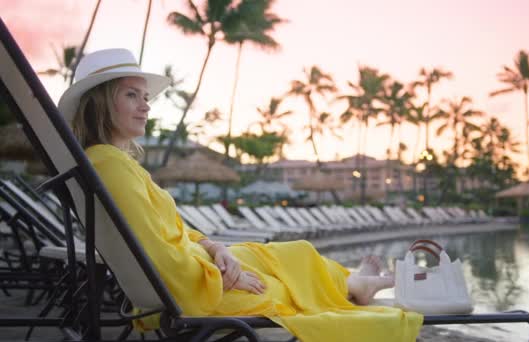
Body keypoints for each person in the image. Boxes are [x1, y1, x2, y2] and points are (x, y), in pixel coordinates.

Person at [58, 49, 422, 342]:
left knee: (293, 253)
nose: (146, 105)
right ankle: (356, 285)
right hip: (196, 289)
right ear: (103, 102)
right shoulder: (110, 166)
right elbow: (161, 260)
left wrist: (218, 249)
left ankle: (356, 283)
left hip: (199, 266)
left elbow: (170, 236)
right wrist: (221, 277)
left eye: (145, 96)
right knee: (285, 283)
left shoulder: (114, 163)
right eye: (131, 95)